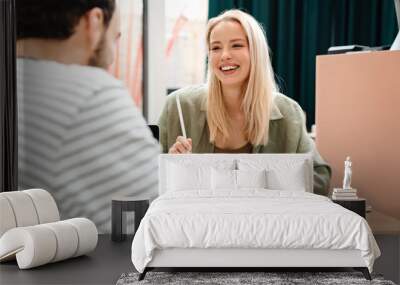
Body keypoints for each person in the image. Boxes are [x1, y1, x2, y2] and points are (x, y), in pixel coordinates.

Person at [16, 0, 160, 233]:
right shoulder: (85, 96)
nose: (112, 57)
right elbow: (163, 227)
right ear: (94, 22)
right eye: (115, 38)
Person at [159, 9, 331, 195]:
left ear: (256, 52)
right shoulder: (178, 106)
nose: (224, 55)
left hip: (265, 221)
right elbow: (148, 177)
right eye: (215, 47)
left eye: (236, 45)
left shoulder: (288, 112)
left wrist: (272, 185)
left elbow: (319, 177)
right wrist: (173, 168)